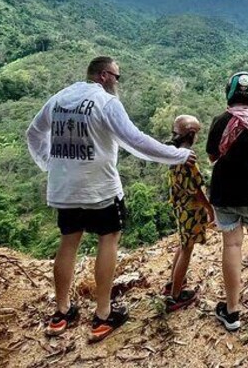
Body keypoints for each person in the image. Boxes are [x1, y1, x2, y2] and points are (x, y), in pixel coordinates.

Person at [26, 56, 196, 343]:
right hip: (100, 189)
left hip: (64, 189)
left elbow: (33, 133)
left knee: (69, 242)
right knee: (109, 239)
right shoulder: (106, 103)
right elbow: (136, 140)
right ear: (104, 76)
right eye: (117, 76)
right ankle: (103, 315)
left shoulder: (59, 99)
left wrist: (50, 164)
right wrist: (178, 155)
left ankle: (61, 313)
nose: (118, 82)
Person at [206, 71, 248, 332]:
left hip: (225, 194)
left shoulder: (219, 121)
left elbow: (213, 157)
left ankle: (232, 311)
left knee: (232, 245)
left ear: (229, 92)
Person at [163, 114, 214, 312]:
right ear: (191, 134)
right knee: (187, 249)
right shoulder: (188, 158)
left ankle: (173, 283)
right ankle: (176, 296)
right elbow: (197, 190)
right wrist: (210, 209)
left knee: (183, 244)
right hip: (191, 210)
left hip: (180, 207)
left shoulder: (172, 153)